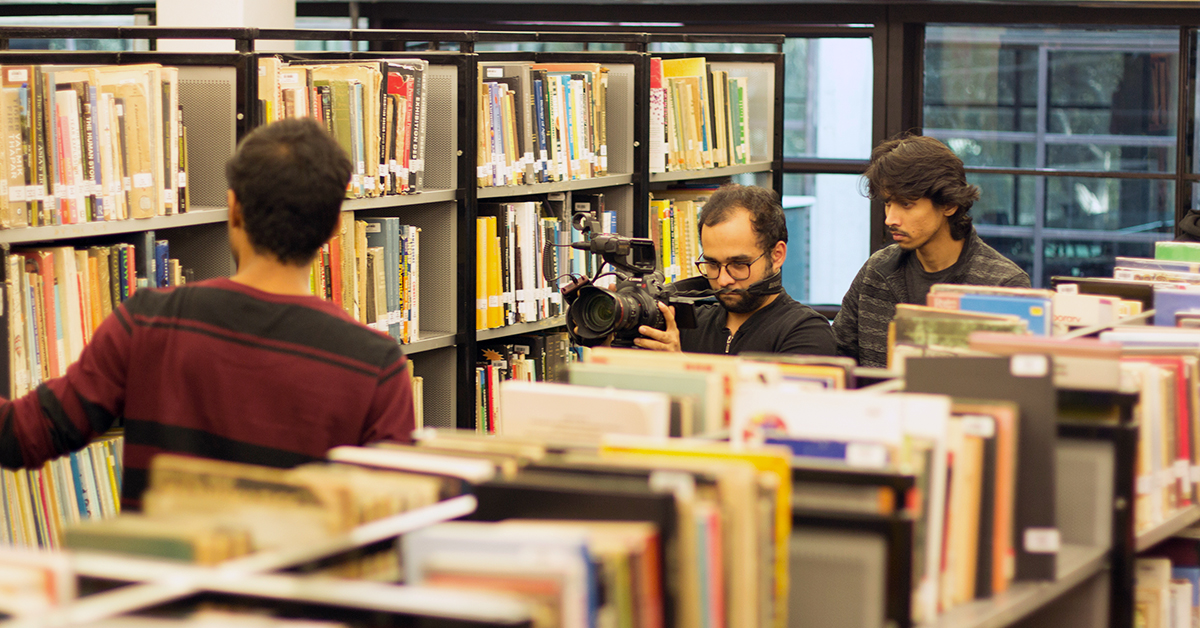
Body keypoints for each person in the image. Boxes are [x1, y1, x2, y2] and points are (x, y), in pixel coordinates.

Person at [0, 118, 415, 510]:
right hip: (295, 587)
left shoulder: (147, 323)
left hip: (162, 587)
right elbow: (394, 519)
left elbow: (22, 435)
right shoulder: (375, 365)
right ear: (334, 228)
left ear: (234, 207)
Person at [833, 134, 1030, 368]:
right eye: (887, 203)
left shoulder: (1003, 285)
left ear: (948, 204)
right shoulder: (877, 270)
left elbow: (1020, 384)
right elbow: (836, 359)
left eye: (906, 204)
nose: (890, 219)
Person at [634, 184, 837, 356]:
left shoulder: (806, 332)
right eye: (712, 264)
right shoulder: (685, 323)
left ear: (777, 255)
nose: (723, 280)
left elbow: (771, 404)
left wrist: (680, 369)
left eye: (739, 265)